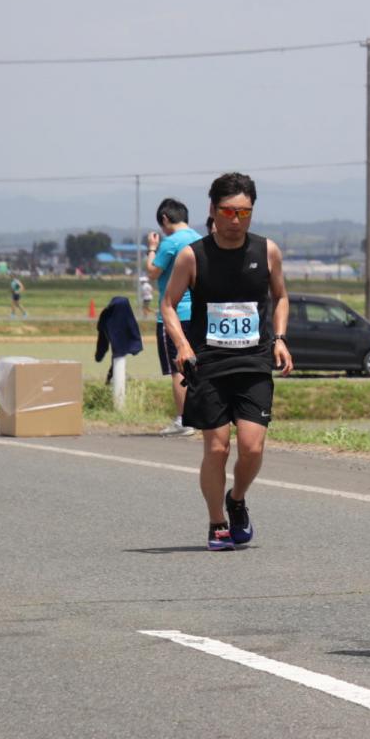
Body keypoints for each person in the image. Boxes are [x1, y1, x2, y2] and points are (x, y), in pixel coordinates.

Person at [162, 173, 293, 550]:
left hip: (254, 361)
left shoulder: (267, 251)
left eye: (244, 212)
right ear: (212, 211)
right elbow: (168, 304)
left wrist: (281, 338)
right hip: (209, 363)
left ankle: (236, 500)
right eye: (228, 211)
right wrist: (183, 346)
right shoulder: (194, 255)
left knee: (252, 447)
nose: (236, 219)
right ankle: (216, 521)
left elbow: (281, 296)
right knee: (216, 448)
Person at [146, 198, 204, 436]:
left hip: (174, 314)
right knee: (198, 365)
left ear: (164, 219)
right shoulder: (200, 239)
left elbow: (152, 272)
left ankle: (184, 420)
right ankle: (201, 416)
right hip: (199, 312)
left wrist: (151, 248)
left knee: (177, 368)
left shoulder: (170, 243)